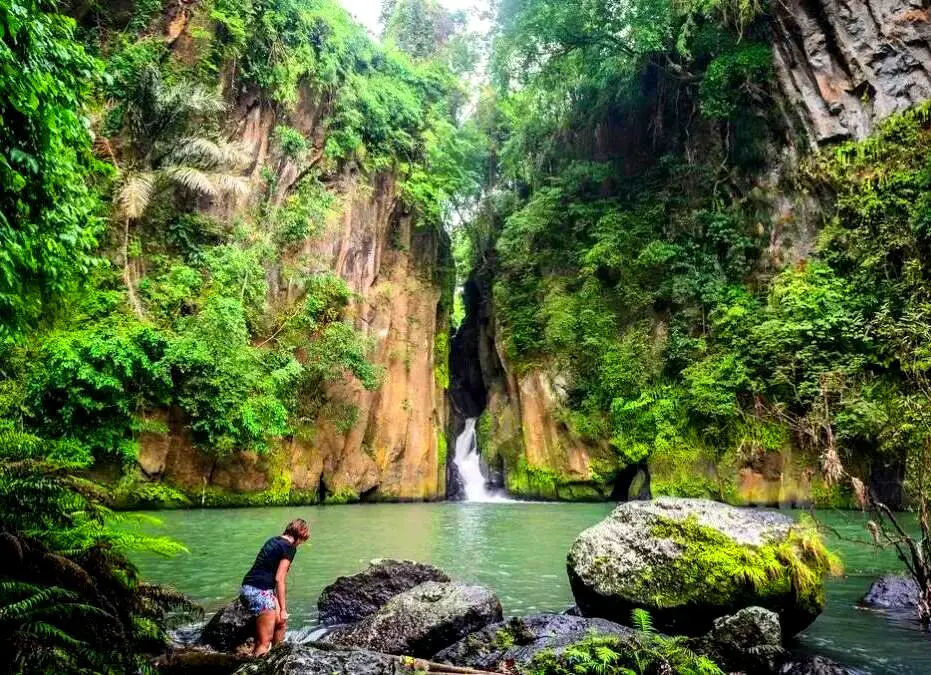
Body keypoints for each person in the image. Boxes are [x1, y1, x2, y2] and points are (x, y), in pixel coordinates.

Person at [240, 518, 310, 656]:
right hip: (260, 592)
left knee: (281, 622)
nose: (301, 544)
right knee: (264, 643)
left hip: (249, 587)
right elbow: (279, 579)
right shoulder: (290, 547)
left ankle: (277, 658)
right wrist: (283, 608)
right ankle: (256, 667)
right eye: (302, 540)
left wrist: (281, 610)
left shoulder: (274, 540)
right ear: (299, 536)